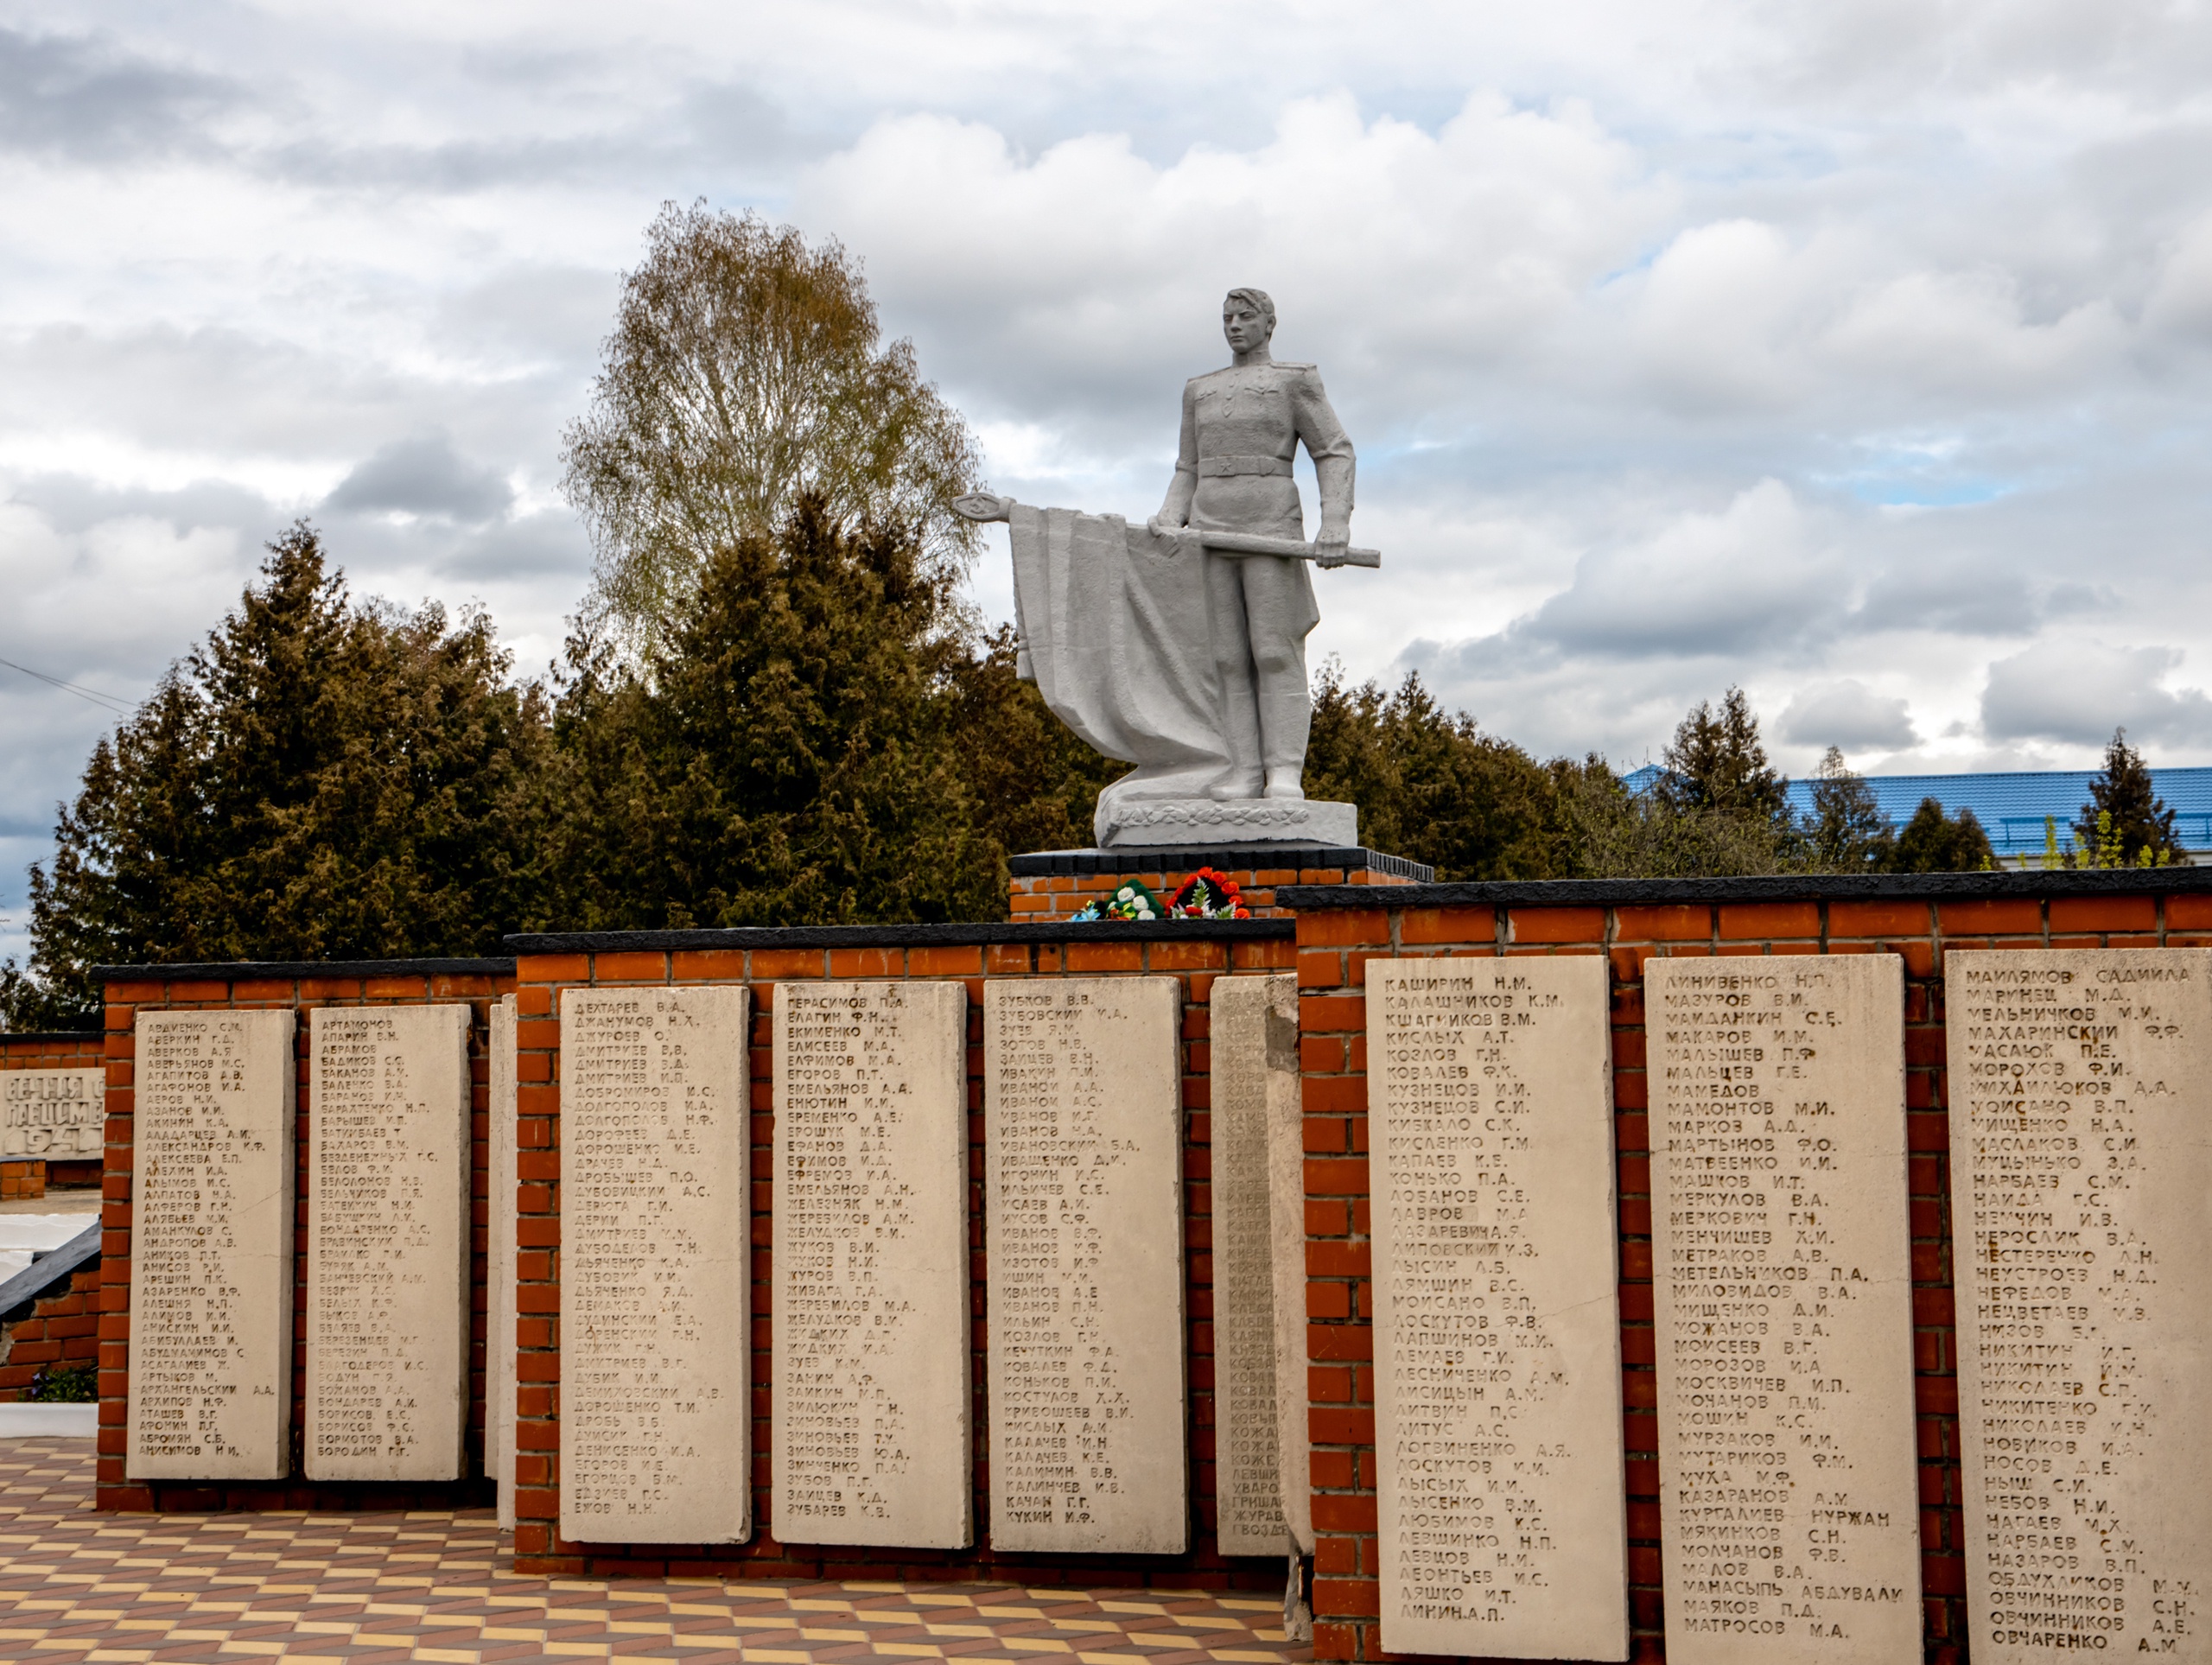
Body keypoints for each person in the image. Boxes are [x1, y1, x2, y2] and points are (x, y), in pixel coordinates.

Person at [1148, 288, 1355, 802]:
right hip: (1211, 525)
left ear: (1269, 323)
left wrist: (1335, 523)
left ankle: (1283, 770)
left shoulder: (1294, 381)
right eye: (1227, 318)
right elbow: (1187, 467)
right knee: (1227, 658)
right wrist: (1171, 514)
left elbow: (1333, 451)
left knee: (1273, 650)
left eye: (1245, 317)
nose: (1234, 326)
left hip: (1270, 523)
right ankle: (1244, 770)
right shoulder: (1200, 389)